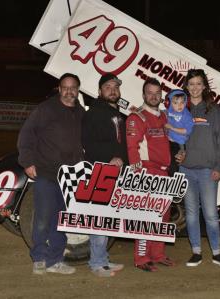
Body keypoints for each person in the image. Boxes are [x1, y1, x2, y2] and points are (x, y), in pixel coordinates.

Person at [17, 73, 85, 275]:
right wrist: (27, 161)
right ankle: (39, 258)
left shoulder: (81, 113)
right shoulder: (45, 109)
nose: (69, 91)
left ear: (78, 90)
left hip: (70, 178)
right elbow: (26, 134)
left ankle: (55, 260)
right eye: (65, 87)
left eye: (73, 87)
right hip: (46, 173)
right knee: (43, 218)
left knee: (61, 220)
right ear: (59, 88)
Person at [180, 69, 220, 268]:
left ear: (204, 86)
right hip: (185, 170)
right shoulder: (179, 109)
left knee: (210, 213)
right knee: (191, 213)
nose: (194, 88)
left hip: (207, 171)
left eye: (198, 84)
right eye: (191, 84)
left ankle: (217, 252)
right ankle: (196, 252)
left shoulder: (213, 110)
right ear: (186, 86)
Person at [126, 77, 176, 272]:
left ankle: (158, 254)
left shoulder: (164, 116)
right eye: (150, 93)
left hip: (164, 173)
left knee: (163, 216)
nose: (154, 96)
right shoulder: (137, 117)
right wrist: (138, 175)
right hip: (147, 172)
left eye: (157, 93)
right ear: (143, 94)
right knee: (146, 217)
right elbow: (132, 147)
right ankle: (141, 258)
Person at [81, 73, 128, 277]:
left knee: (108, 217)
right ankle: (96, 263)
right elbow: (87, 143)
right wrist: (110, 158)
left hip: (115, 171)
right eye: (107, 86)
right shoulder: (94, 112)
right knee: (99, 218)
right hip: (100, 169)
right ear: (100, 91)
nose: (112, 90)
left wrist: (122, 159)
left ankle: (104, 259)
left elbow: (122, 143)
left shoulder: (116, 114)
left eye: (115, 87)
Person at [164, 89, 194, 176]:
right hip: (167, 141)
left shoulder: (187, 115)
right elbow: (156, 113)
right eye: (175, 103)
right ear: (169, 103)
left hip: (179, 144)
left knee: (173, 166)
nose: (179, 105)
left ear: (186, 103)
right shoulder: (168, 111)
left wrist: (172, 128)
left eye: (182, 102)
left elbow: (187, 131)